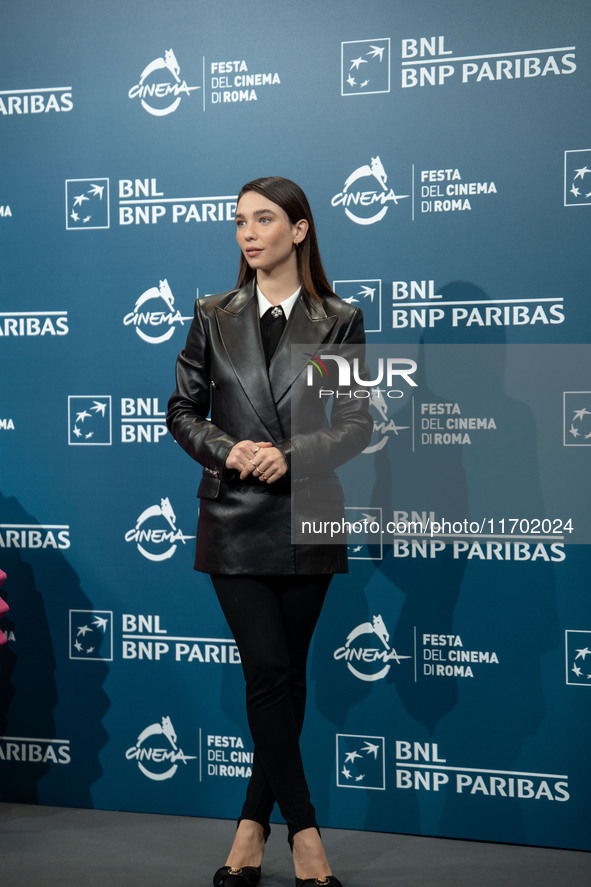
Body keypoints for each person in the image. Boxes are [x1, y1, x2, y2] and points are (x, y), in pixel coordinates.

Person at [167, 176, 372, 887]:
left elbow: (353, 423)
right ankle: (307, 833)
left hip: (307, 515)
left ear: (300, 229)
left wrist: (289, 455)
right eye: (237, 223)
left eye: (262, 220)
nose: (246, 234)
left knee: (286, 677)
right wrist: (228, 449)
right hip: (232, 518)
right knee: (264, 670)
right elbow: (183, 408)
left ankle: (251, 828)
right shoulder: (212, 313)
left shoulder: (337, 318)